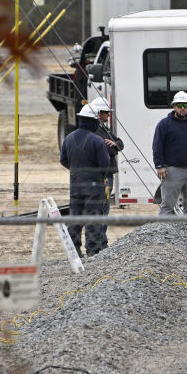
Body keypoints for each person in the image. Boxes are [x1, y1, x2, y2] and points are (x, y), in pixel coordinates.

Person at [60, 104, 111, 257]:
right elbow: (105, 164)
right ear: (93, 120)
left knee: (75, 218)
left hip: (75, 184)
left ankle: (74, 252)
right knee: (93, 218)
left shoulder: (68, 138)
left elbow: (63, 160)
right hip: (94, 186)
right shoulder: (97, 140)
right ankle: (93, 252)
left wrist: (76, 171)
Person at [89, 96, 123, 201]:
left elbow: (120, 143)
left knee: (105, 201)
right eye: (107, 112)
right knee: (103, 202)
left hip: (107, 173)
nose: (108, 114)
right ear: (99, 113)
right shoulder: (95, 131)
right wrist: (114, 148)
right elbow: (107, 150)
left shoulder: (104, 129)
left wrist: (114, 144)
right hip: (102, 175)